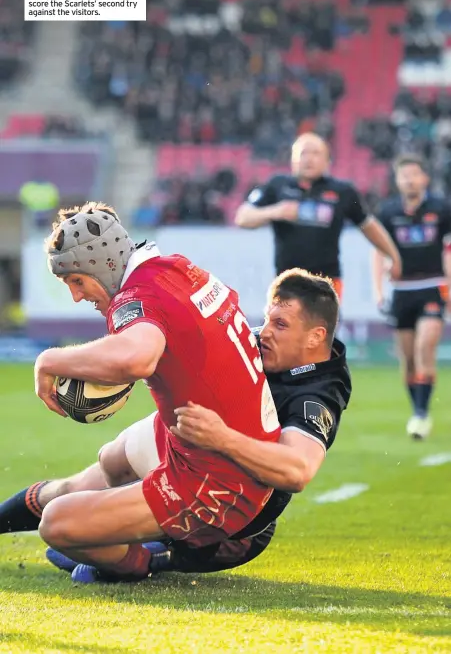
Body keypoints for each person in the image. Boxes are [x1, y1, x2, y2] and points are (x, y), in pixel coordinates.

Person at [0, 268, 352, 580]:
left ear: (315, 337)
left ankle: (148, 559)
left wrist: (222, 437)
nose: (265, 332)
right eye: (268, 318)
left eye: (281, 325)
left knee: (72, 530)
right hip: (189, 443)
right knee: (98, 470)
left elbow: (297, 471)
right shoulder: (250, 339)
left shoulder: (317, 394)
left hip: (236, 522)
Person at [27, 201, 283, 582]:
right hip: (230, 447)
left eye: (77, 281)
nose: (77, 297)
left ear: (103, 264)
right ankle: (128, 533)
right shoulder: (177, 268)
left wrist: (48, 361)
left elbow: (137, 358)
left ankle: (150, 562)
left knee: (57, 524)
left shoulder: (134, 298)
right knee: (112, 459)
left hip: (219, 484)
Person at [234, 132, 402, 301]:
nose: (309, 159)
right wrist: (275, 211)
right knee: (285, 326)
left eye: (315, 153)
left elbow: (368, 226)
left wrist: (393, 255)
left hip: (326, 282)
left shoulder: (343, 191)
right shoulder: (277, 185)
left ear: (327, 160)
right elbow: (243, 218)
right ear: (293, 159)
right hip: (286, 281)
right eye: (303, 153)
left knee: (320, 327)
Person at [373, 154, 451, 440]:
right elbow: (378, 250)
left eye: (414, 174)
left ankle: (421, 413)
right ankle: (417, 408)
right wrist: (379, 289)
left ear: (424, 178)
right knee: (407, 359)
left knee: (424, 348)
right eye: (404, 175)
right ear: (397, 181)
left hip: (432, 286)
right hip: (402, 290)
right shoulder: (388, 212)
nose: (409, 180)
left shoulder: (441, 209)